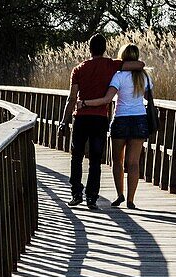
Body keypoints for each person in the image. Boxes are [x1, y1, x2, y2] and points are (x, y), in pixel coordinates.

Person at [59, 34, 145, 210]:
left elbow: (72, 98)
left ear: (89, 49)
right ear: (105, 48)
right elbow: (140, 65)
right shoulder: (111, 65)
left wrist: (63, 121)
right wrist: (120, 62)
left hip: (81, 118)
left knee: (77, 157)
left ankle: (76, 193)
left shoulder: (78, 69)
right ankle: (91, 197)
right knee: (95, 159)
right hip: (99, 119)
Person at [79, 44, 155, 209]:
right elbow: (149, 98)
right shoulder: (145, 77)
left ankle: (120, 195)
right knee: (134, 162)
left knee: (117, 161)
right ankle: (131, 200)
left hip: (121, 119)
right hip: (140, 119)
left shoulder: (118, 76)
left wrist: (85, 103)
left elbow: (107, 99)